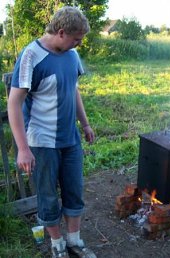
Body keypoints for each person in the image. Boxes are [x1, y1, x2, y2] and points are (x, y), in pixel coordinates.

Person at [8, 6, 96, 258]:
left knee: (74, 191)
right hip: (42, 141)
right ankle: (57, 245)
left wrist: (86, 124)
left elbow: (73, 89)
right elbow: (14, 103)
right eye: (76, 38)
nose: (79, 43)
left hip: (70, 139)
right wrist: (23, 149)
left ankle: (74, 241)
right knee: (47, 196)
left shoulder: (72, 55)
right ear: (61, 32)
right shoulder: (30, 56)